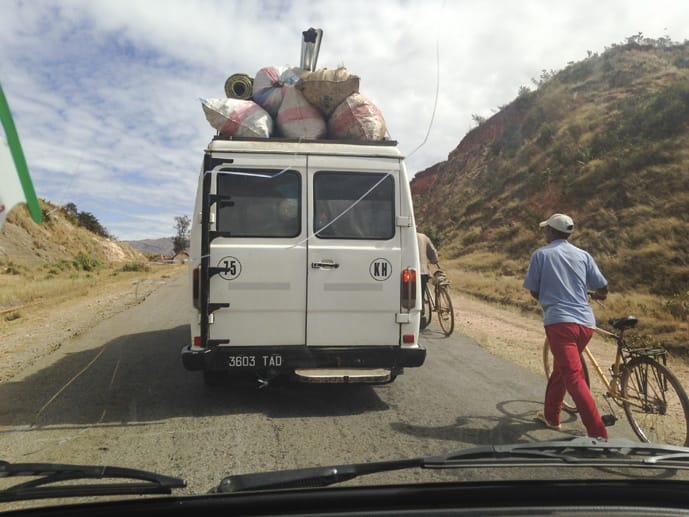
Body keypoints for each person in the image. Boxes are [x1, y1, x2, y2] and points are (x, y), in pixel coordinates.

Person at [523, 213, 609, 438]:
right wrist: (593, 295)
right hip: (586, 324)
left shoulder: (541, 255)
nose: (544, 234)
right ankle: (551, 416)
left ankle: (598, 434)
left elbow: (533, 290)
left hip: (560, 324)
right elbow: (603, 288)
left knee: (573, 376)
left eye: (546, 230)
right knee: (561, 370)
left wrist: (549, 296)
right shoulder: (583, 255)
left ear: (551, 232)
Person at [417, 232, 439, 320]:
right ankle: (421, 315)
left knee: (415, 294)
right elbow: (432, 251)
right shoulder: (423, 237)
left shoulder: (404, 235)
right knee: (421, 293)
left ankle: (420, 315)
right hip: (423, 270)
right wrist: (435, 260)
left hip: (409, 271)